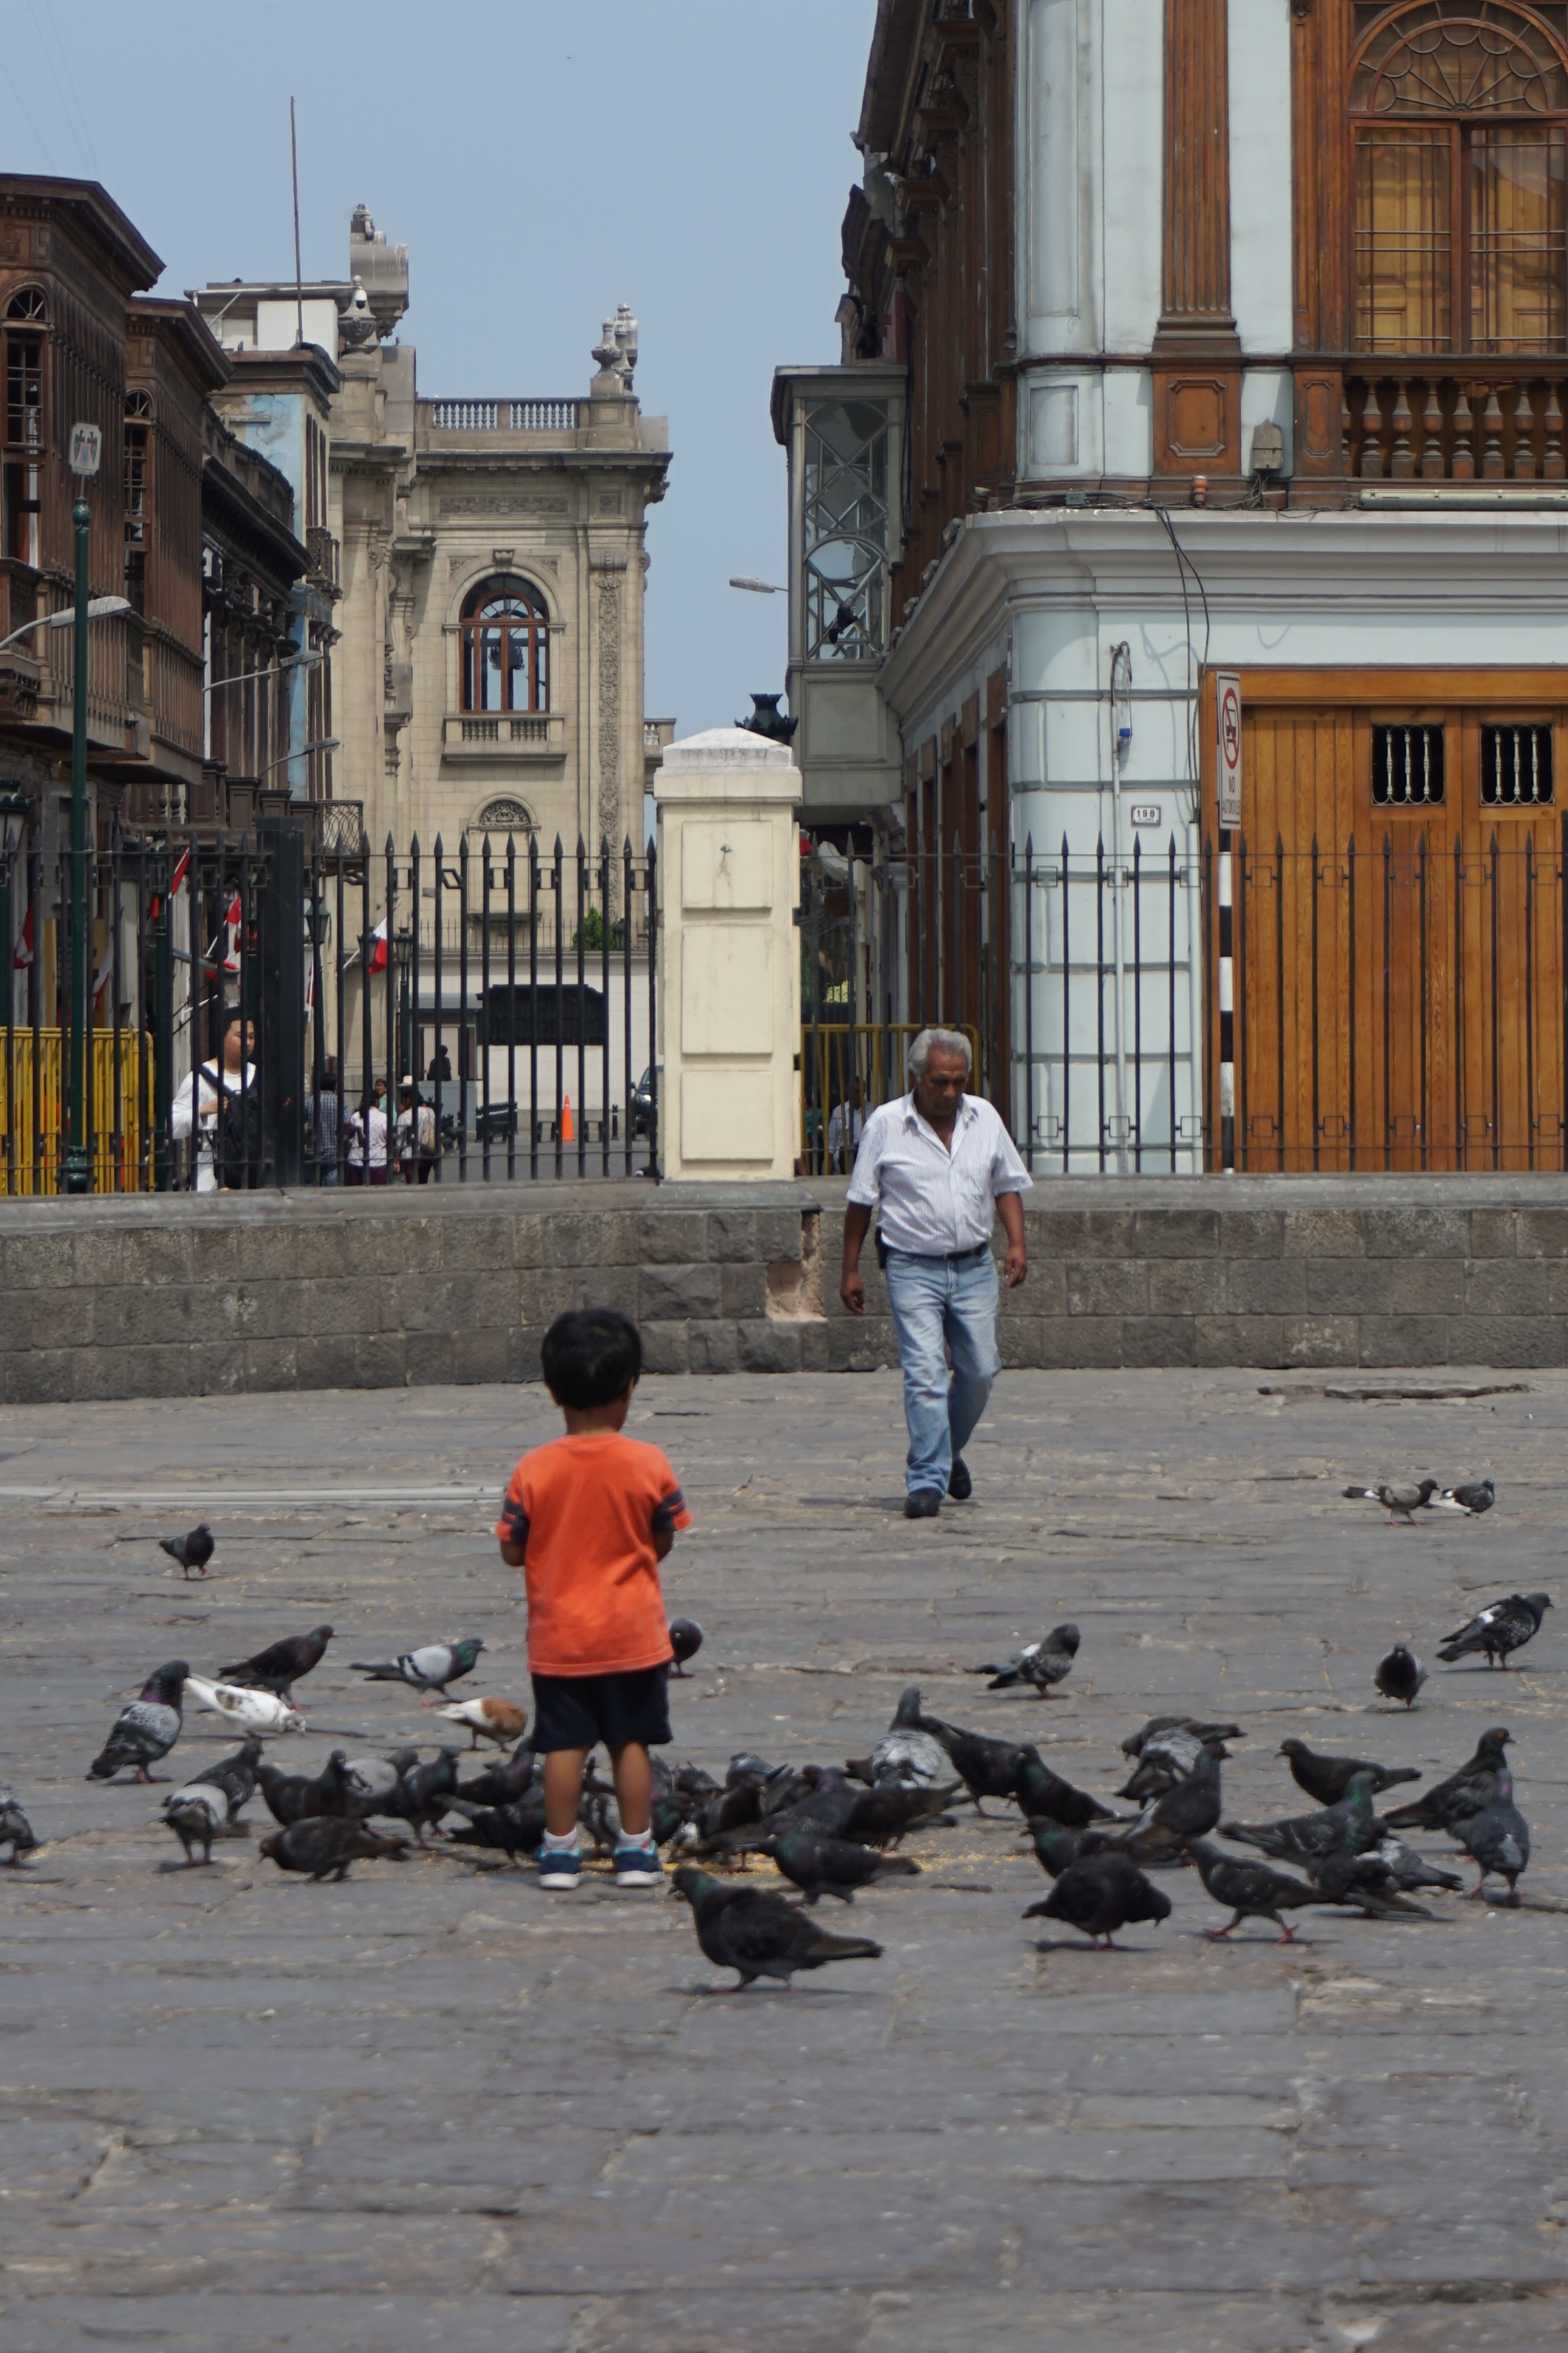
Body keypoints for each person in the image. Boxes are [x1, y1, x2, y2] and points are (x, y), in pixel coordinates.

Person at [495, 1308, 691, 1890]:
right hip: (633, 1635)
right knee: (629, 1742)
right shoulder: (648, 1462)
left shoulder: (534, 1469)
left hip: (561, 1639)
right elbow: (663, 1538)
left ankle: (559, 1853)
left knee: (563, 1745)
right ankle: (635, 1851)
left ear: (552, 1391)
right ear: (628, 1389)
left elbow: (512, 1551)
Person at [840, 1027, 1031, 1519]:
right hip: (910, 1267)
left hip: (973, 1264)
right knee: (924, 1373)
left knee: (981, 1369)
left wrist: (1017, 1243)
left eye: (957, 1082)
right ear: (915, 1077)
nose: (948, 1093)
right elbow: (861, 1200)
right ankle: (926, 1477)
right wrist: (850, 1269)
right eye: (938, 1082)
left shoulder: (982, 1116)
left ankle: (944, 1453)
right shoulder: (886, 1123)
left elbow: (1006, 1182)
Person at [169, 1009, 257, 1193]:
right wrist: (201, 1110)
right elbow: (171, 1125)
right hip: (210, 1179)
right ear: (223, 1037)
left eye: (251, 1037)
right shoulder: (200, 1078)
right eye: (241, 1036)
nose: (248, 1043)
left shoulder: (259, 1076)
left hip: (254, 1178)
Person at [308, 1058, 340, 1185]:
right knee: (331, 1188)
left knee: (312, 1184)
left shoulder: (311, 1101)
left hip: (314, 1150)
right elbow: (347, 1122)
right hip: (333, 1151)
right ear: (335, 1086)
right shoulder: (339, 1101)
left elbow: (301, 1119)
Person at [827, 1076, 865, 1168]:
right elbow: (832, 1142)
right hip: (844, 1155)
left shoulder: (871, 1110)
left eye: (859, 1092)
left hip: (864, 1154)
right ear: (848, 1093)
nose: (857, 1095)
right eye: (854, 1092)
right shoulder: (839, 1111)